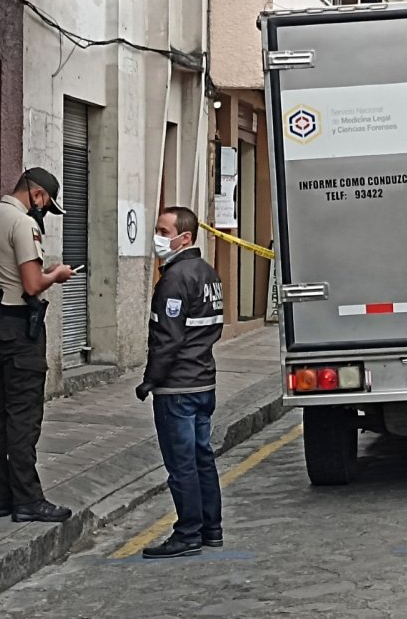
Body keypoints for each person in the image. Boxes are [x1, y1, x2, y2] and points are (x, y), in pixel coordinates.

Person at [0, 167, 76, 522]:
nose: (43, 210)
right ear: (37, 195)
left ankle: (1, 499)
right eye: (45, 203)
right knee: (23, 417)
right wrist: (57, 275)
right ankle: (28, 501)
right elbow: (32, 284)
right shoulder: (22, 224)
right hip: (17, 327)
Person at [135, 206, 226, 559]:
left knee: (182, 463)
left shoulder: (175, 279)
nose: (157, 236)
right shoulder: (208, 273)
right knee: (203, 458)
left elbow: (168, 340)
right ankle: (211, 528)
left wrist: (150, 381)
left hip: (178, 389)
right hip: (204, 382)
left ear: (184, 237)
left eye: (163, 229)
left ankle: (188, 532)